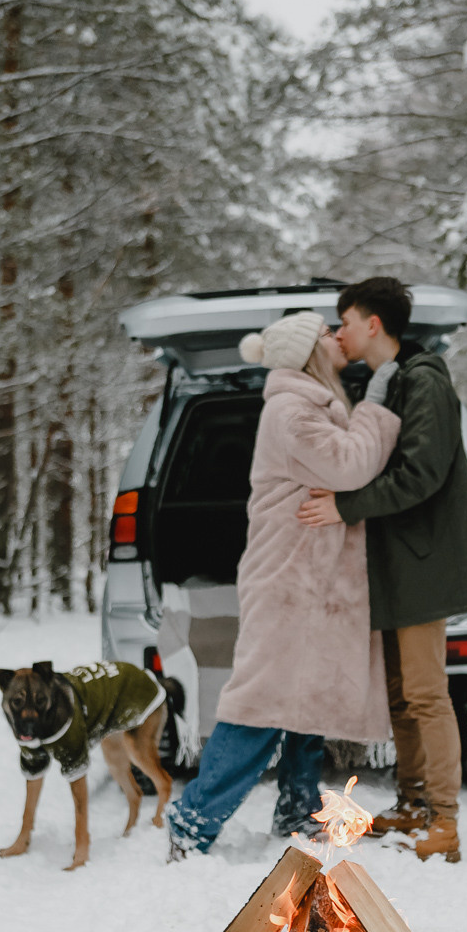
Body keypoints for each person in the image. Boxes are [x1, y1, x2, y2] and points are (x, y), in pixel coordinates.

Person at [167, 310, 401, 855]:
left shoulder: (309, 404)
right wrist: (375, 408)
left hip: (308, 581)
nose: (336, 336)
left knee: (306, 697)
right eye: (326, 332)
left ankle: (297, 808)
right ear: (308, 352)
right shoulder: (293, 411)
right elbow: (348, 466)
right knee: (260, 704)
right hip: (288, 580)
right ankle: (193, 818)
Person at [297, 277, 467, 862]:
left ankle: (446, 824)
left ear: (373, 324)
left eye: (345, 323)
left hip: (425, 562)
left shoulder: (424, 381)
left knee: (428, 696)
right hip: (398, 564)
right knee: (403, 695)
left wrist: (343, 505)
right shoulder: (391, 383)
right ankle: (412, 803)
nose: (340, 334)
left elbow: (420, 476)